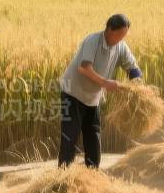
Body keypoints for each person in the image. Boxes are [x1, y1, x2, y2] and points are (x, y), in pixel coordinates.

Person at [59, 14, 144, 169]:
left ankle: (93, 174)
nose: (121, 38)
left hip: (93, 98)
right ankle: (63, 176)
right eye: (119, 34)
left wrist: (137, 83)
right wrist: (105, 83)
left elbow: (132, 67)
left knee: (93, 137)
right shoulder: (93, 40)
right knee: (70, 136)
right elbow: (84, 68)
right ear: (109, 29)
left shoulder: (120, 46)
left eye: (124, 35)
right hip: (72, 93)